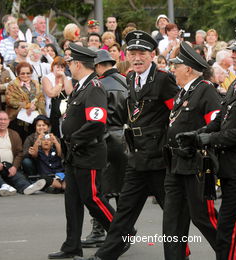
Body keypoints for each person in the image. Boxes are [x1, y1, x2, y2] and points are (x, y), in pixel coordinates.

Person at [76, 30, 179, 260]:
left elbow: (177, 116)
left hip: (159, 159)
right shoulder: (131, 77)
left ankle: (183, 253)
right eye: (133, 52)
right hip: (136, 157)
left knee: (173, 216)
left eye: (142, 52)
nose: (137, 57)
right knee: (124, 213)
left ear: (152, 54)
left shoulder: (163, 80)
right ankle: (105, 256)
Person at [178, 26, 236, 260]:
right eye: (233, 51)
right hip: (229, 167)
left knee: (228, 231)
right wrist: (198, 135)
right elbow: (221, 119)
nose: (234, 55)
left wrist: (209, 139)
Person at [48, 43, 116, 259]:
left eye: (70, 63)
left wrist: (74, 139)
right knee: (73, 201)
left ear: (78, 64)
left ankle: (120, 233)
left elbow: (97, 122)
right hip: (75, 152)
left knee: (92, 198)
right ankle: (71, 246)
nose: (69, 67)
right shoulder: (80, 86)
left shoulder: (94, 87)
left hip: (88, 150)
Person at [163, 41, 221, 259]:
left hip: (196, 164)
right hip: (175, 165)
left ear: (187, 68)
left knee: (203, 217)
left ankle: (234, 253)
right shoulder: (182, 93)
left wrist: (197, 143)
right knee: (172, 221)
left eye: (175, 66)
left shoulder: (205, 90)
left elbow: (215, 126)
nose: (172, 70)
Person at [80, 49, 128, 248]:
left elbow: (97, 118)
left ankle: (101, 231)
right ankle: (121, 230)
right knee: (122, 191)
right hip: (124, 139)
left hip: (105, 138)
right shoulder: (126, 82)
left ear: (99, 66)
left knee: (100, 190)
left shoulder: (98, 85)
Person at [0, 110, 46, 196]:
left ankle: (27, 187)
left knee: (18, 176)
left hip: (10, 167)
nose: (3, 122)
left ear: (9, 121)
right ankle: (3, 186)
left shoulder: (14, 134)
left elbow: (20, 153)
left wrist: (15, 167)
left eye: (5, 119)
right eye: (0, 119)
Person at [6, 62, 45, 141]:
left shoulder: (36, 83)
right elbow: (10, 100)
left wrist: (36, 106)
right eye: (22, 73)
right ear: (18, 74)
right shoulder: (12, 85)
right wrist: (27, 105)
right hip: (18, 119)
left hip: (34, 119)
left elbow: (41, 98)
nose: (25, 75)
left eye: (28, 73)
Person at [41, 56, 73, 137]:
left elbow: (69, 92)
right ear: (52, 67)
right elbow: (51, 93)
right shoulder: (46, 78)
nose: (60, 69)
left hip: (65, 113)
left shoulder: (68, 78)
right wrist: (60, 83)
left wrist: (64, 77)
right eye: (57, 67)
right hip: (51, 112)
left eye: (62, 67)